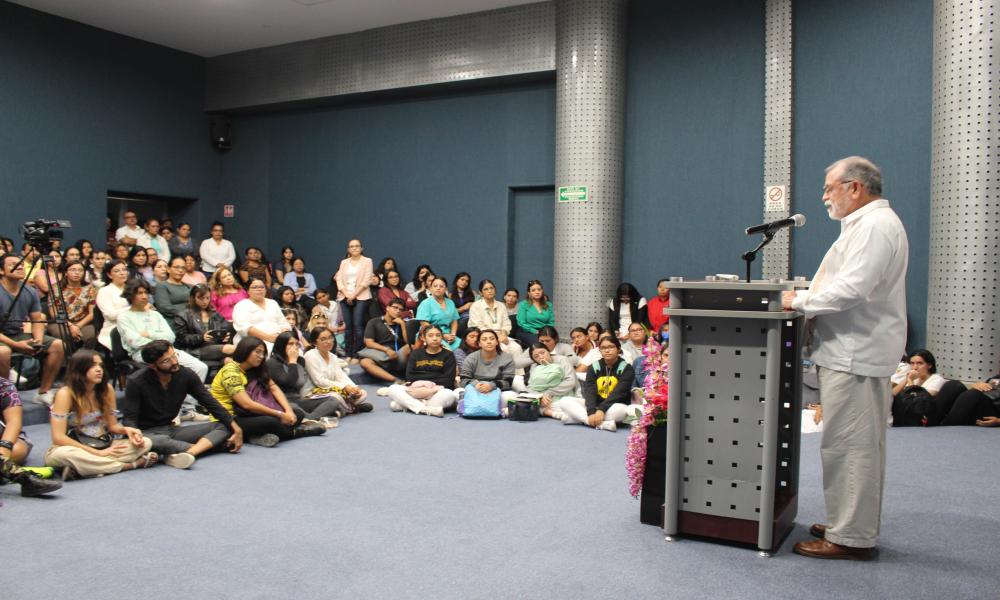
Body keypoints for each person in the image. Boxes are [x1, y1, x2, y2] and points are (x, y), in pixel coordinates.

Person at [781, 156, 908, 560]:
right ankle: (847, 521)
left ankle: (850, 537)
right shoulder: (868, 225)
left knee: (850, 447)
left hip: (856, 352)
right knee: (852, 445)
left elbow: (852, 289)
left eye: (829, 188)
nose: (823, 197)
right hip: (852, 351)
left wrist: (798, 301)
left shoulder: (873, 226)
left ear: (855, 187)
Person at [122, 340, 243, 468]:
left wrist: (236, 428)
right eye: (166, 361)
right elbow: (130, 418)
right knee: (154, 442)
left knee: (226, 426)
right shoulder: (136, 381)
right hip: (147, 432)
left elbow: (211, 403)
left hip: (171, 430)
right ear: (152, 365)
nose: (174, 362)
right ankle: (200, 448)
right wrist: (135, 435)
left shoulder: (186, 374)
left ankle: (188, 453)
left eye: (174, 356)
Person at [45, 350, 157, 479]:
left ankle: (85, 468)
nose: (99, 370)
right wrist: (97, 453)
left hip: (102, 443)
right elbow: (58, 437)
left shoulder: (107, 389)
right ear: (79, 369)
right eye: (93, 366)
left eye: (100, 365)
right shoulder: (65, 394)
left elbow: (113, 426)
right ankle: (130, 465)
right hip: (73, 447)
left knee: (145, 443)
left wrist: (127, 430)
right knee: (62, 455)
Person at [209, 337, 325, 447]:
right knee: (271, 422)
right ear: (245, 350)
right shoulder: (231, 372)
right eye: (257, 352)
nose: (261, 356)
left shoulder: (256, 368)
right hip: (230, 418)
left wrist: (288, 411)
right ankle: (298, 433)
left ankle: (255, 435)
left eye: (263, 353)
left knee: (296, 413)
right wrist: (279, 414)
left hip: (249, 413)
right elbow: (246, 404)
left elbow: (274, 388)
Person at [0, 254, 66, 406]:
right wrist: (16, 345)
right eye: (13, 264)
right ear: (1, 271)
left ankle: (43, 392)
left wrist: (38, 341)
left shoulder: (29, 291)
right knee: (3, 352)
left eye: (21, 264)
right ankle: (4, 397)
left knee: (58, 345)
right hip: (3, 338)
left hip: (19, 333)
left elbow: (37, 319)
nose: (20, 266)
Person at [116, 278, 209, 381]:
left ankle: (186, 397)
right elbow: (135, 342)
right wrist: (160, 340)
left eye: (146, 292)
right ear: (130, 295)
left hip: (168, 350)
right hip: (143, 353)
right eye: (139, 293)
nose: (144, 296)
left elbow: (171, 337)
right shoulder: (124, 317)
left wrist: (149, 334)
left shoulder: (155, 314)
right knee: (172, 371)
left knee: (201, 367)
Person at [0, 377, 62, 496]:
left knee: (18, 450)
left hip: (5, 438)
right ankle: (22, 478)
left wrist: (4, 448)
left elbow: (14, 422)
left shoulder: (4, 385)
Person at [266, 331, 342, 428]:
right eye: (290, 344)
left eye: (297, 344)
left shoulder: (300, 360)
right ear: (281, 345)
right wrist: (292, 362)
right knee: (296, 410)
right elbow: (290, 382)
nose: (295, 347)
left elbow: (302, 384)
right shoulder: (273, 362)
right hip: (283, 403)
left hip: (299, 400)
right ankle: (316, 417)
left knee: (333, 400)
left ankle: (310, 419)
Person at [559, 336, 635, 431]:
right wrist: (591, 412)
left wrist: (602, 409)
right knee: (564, 401)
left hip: (614, 406)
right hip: (595, 405)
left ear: (618, 349)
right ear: (600, 351)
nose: (607, 350)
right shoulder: (594, 367)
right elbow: (589, 391)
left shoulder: (627, 369)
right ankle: (599, 423)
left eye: (611, 347)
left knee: (622, 411)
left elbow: (619, 393)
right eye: (603, 348)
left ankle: (578, 419)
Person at [386, 324, 457, 417]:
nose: (435, 338)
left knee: (449, 394)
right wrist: (434, 377)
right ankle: (425, 409)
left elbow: (448, 380)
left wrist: (424, 380)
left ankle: (407, 406)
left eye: (438, 335)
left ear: (442, 337)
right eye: (430, 335)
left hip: (437, 391)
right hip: (416, 389)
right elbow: (410, 376)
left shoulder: (448, 355)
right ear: (423, 338)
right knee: (393, 389)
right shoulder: (416, 354)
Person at [303, 327, 372, 415]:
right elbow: (320, 382)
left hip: (332, 389)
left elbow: (340, 375)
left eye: (330, 337)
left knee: (362, 393)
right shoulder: (310, 356)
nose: (328, 341)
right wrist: (344, 387)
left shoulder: (332, 356)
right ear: (315, 343)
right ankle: (351, 409)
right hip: (312, 393)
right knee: (336, 397)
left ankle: (340, 410)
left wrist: (352, 387)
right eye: (323, 339)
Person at [172, 284, 235, 362]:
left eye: (207, 298)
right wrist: (202, 338)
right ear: (193, 298)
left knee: (229, 361)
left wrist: (224, 337)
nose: (205, 301)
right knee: (231, 349)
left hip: (214, 347)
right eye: (201, 298)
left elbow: (225, 329)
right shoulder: (182, 316)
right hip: (195, 349)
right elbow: (182, 339)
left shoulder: (214, 313)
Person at [334, 239, 374, 358]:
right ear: (348, 249)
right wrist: (347, 294)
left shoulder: (367, 261)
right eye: (351, 246)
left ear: (361, 248)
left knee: (358, 326)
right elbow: (339, 279)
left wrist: (353, 295)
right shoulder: (344, 262)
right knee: (348, 327)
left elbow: (366, 280)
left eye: (357, 246)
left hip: (361, 296)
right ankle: (348, 354)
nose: (354, 248)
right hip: (344, 296)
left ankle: (357, 354)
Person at [931, 359, 1000, 426]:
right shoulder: (995, 378)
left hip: (993, 411)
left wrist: (998, 421)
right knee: (953, 385)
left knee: (971, 396)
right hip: (979, 402)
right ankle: (930, 420)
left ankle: (945, 429)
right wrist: (976, 386)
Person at [358, 298, 410, 384]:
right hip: (380, 356)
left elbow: (408, 342)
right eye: (395, 307)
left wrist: (402, 325)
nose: (398, 311)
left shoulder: (403, 323)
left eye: (400, 309)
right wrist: (387, 350)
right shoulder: (374, 322)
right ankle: (395, 380)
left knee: (409, 347)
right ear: (387, 308)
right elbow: (369, 343)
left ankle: (411, 377)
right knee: (365, 362)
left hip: (398, 356)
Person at [231, 278, 290, 351]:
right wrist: (269, 337)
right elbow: (244, 328)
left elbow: (283, 323)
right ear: (248, 291)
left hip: (277, 338)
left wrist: (282, 336)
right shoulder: (241, 305)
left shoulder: (272, 303)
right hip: (253, 341)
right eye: (255, 287)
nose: (259, 289)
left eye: (262, 287)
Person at [50, 260, 98, 349]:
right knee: (64, 334)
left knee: (91, 334)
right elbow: (54, 314)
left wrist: (78, 326)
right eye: (73, 270)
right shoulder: (55, 288)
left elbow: (92, 313)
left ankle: (85, 360)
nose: (77, 273)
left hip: (83, 322)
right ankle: (66, 362)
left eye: (80, 270)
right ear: (65, 273)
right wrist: (70, 325)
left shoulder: (90, 288)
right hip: (61, 323)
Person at [524, 343, 578, 419]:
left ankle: (545, 411)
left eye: (543, 352)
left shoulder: (562, 360)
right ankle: (549, 412)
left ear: (548, 351)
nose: (541, 356)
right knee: (526, 402)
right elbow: (530, 387)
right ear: (534, 360)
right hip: (543, 398)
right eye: (536, 356)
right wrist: (540, 397)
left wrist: (549, 393)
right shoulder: (535, 366)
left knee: (565, 404)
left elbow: (570, 381)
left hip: (562, 394)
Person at [415, 276, 460, 351]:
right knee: (447, 351)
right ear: (430, 288)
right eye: (435, 286)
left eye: (441, 286)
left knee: (463, 348)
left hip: (448, 334)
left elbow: (454, 320)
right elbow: (424, 324)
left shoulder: (450, 302)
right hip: (430, 334)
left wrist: (453, 335)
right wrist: (442, 335)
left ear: (445, 289)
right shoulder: (426, 303)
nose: (438, 288)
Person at [95, 260, 131, 351]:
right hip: (114, 328)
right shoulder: (104, 291)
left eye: (124, 270)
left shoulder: (133, 288)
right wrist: (134, 308)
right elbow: (111, 315)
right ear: (109, 275)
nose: (122, 273)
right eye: (117, 271)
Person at [516, 279, 555, 346]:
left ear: (542, 291)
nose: (537, 292)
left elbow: (551, 322)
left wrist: (546, 331)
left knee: (553, 343)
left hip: (544, 332)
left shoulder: (548, 305)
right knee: (540, 344)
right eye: (533, 290)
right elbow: (521, 322)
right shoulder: (523, 304)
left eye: (539, 289)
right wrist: (535, 331)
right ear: (529, 293)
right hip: (527, 332)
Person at [154, 256, 191, 320]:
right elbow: (164, 308)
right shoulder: (162, 286)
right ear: (168, 269)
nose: (180, 270)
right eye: (177, 267)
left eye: (183, 268)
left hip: (191, 320)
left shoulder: (189, 287)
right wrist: (187, 315)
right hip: (173, 321)